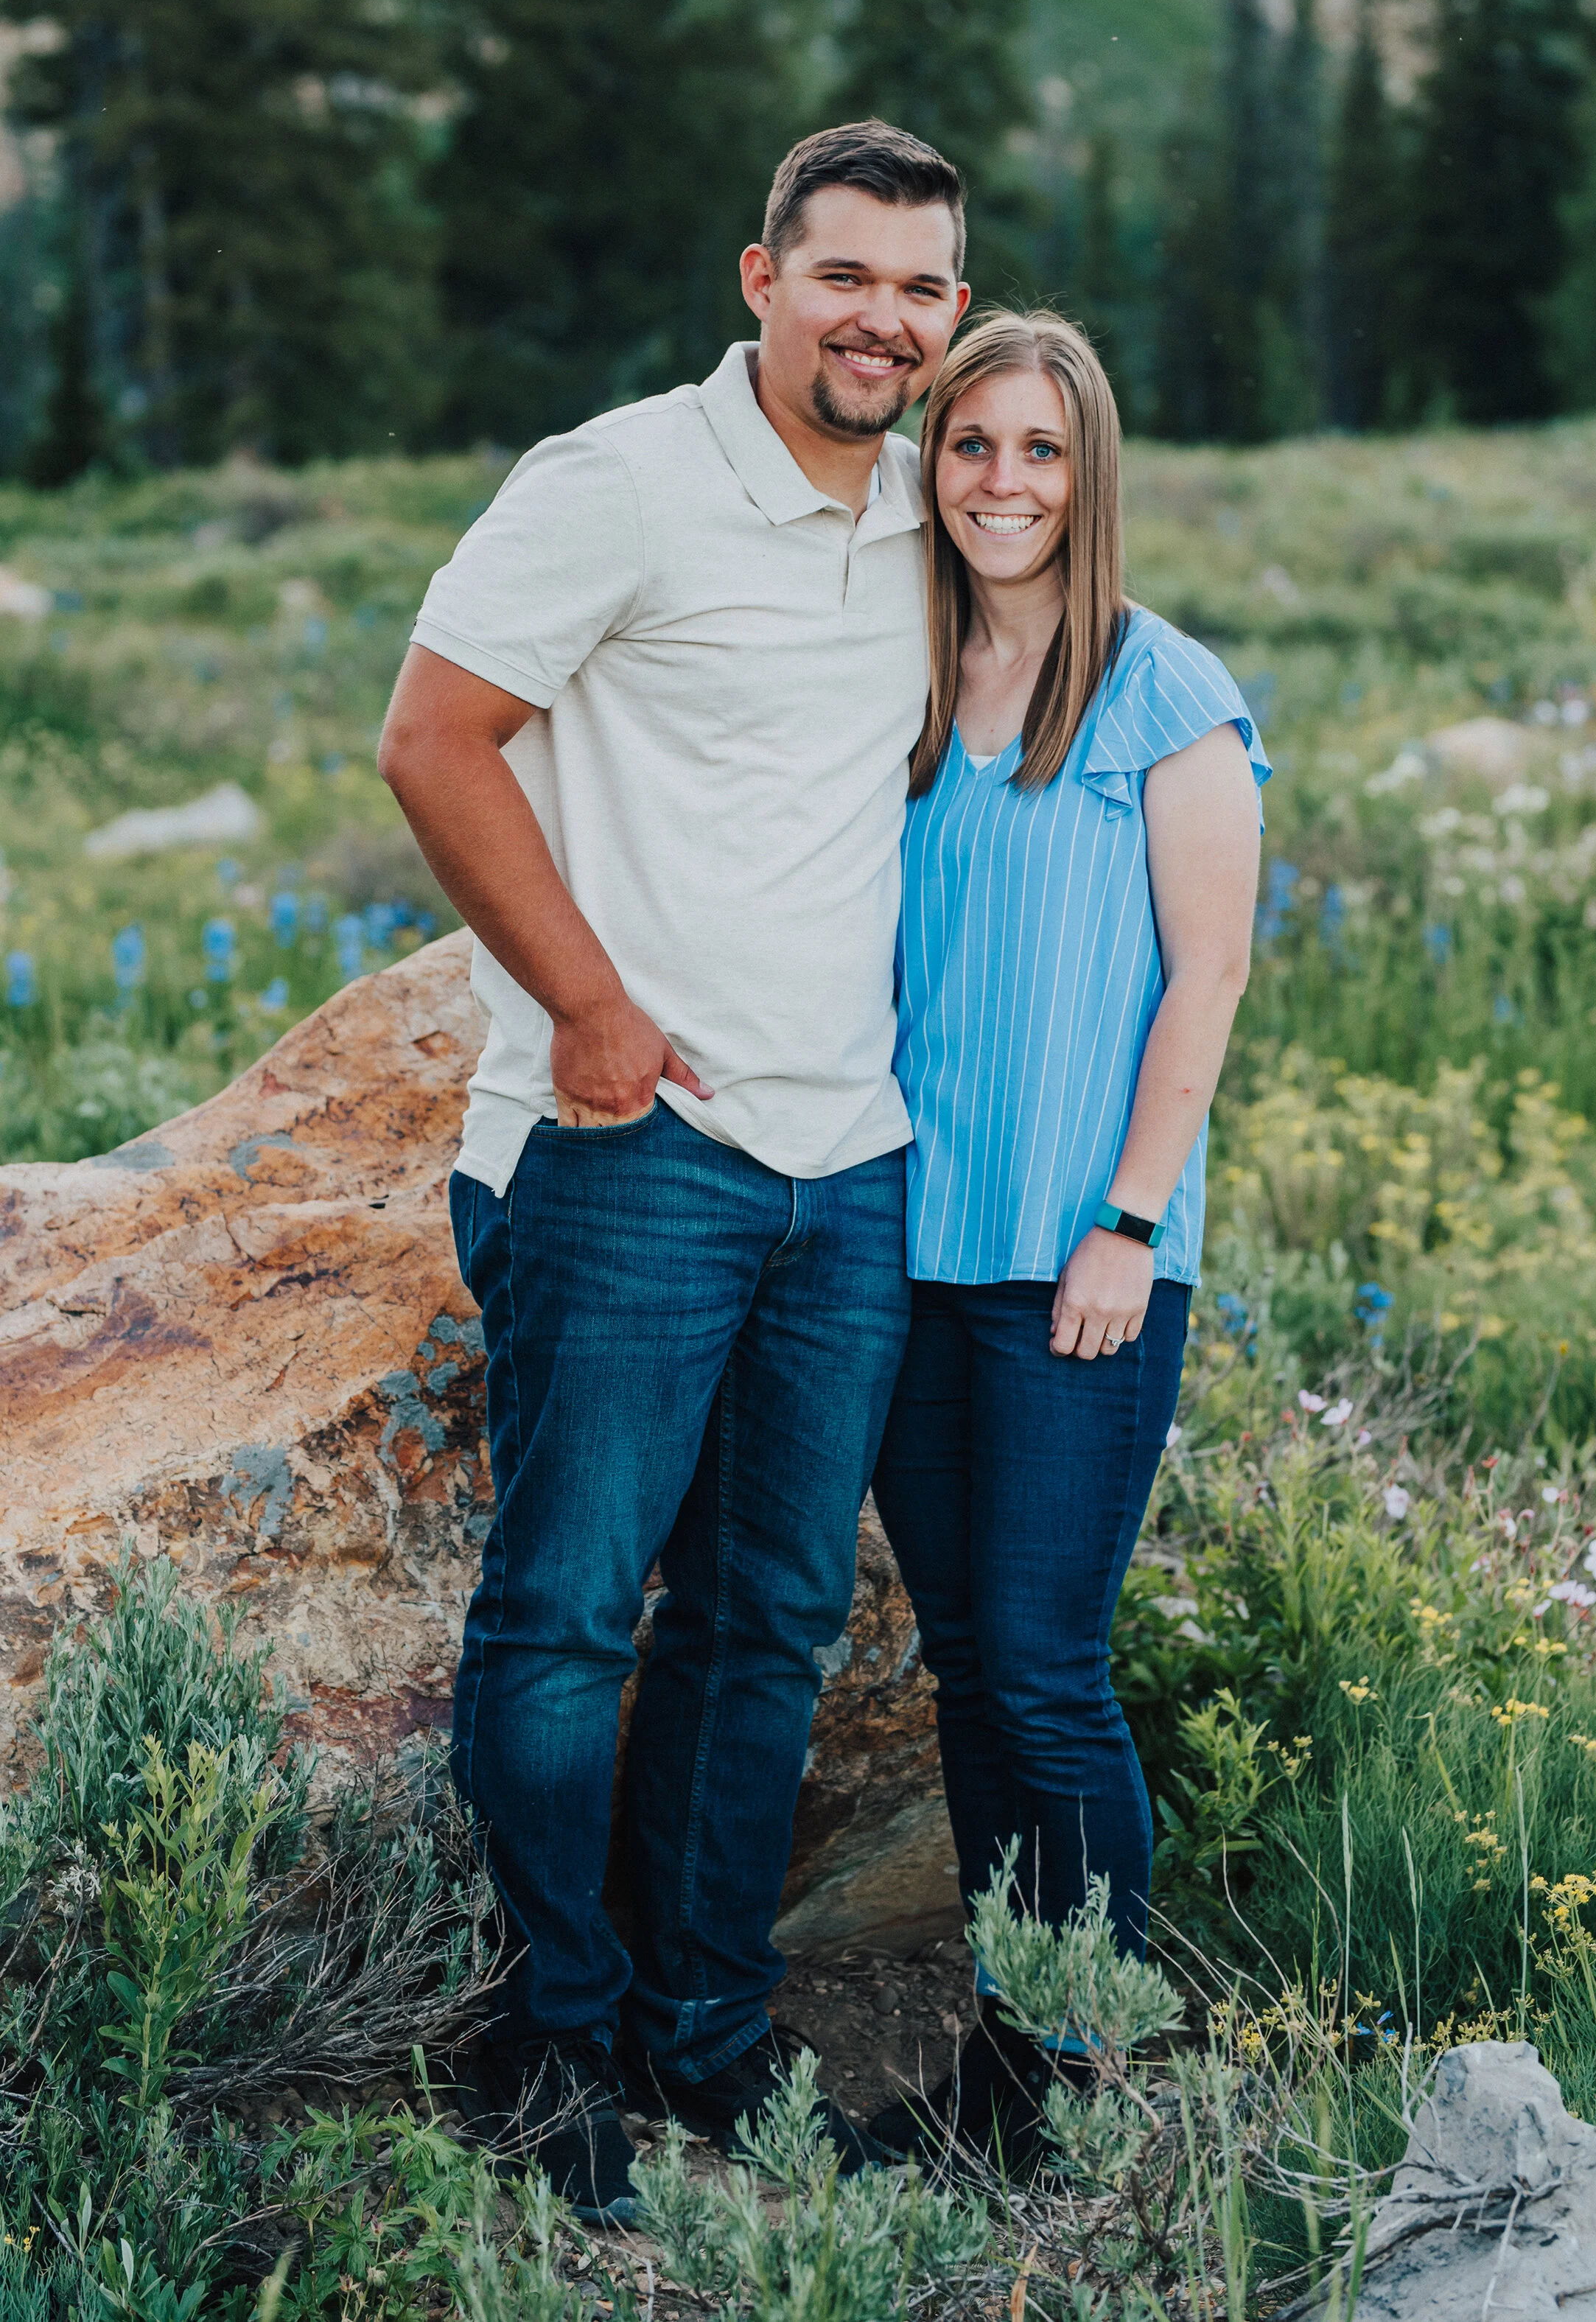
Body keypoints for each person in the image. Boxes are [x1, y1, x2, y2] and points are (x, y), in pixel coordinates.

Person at [377, 122, 971, 2220]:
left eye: (922, 287)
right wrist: (593, 1011)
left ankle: (711, 2036)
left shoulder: (930, 505)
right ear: (760, 276)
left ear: (953, 316)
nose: (882, 318)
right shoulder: (616, 479)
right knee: (559, 1621)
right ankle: (556, 2033)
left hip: (849, 1159)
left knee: (769, 1623)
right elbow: (431, 739)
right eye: (847, 276)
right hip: (631, 1147)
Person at [865, 309, 1269, 2164]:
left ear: (1087, 474)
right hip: (906, 1253)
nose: (1003, 484)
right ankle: (1008, 2061)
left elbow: (1208, 982)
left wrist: (1125, 1220)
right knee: (968, 1657)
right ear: (930, 465)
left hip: (1080, 1266)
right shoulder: (902, 683)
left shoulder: (1161, 691)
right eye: (972, 448)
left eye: (1039, 452)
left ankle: (1085, 2065)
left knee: (1043, 1663)